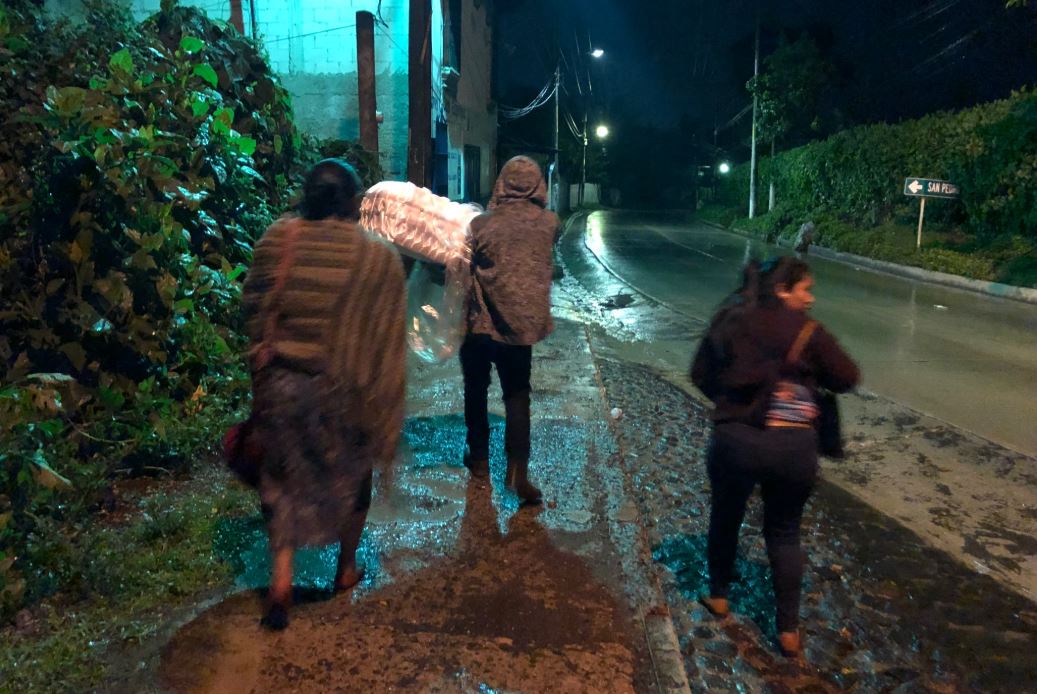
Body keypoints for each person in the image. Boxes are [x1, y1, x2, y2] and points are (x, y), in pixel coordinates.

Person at [242, 159, 406, 630]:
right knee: (356, 479)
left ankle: (281, 580)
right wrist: (384, 418)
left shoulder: (278, 239)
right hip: (339, 393)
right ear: (354, 204)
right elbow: (384, 345)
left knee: (280, 480)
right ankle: (345, 568)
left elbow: (251, 307)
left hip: (281, 388)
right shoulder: (377, 259)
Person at [690, 256, 859, 657]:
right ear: (783, 289)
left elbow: (699, 374)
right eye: (805, 289)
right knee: (784, 533)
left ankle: (719, 595)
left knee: (725, 515)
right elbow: (848, 376)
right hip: (793, 447)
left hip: (735, 442)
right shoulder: (808, 332)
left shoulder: (729, 319)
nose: (811, 298)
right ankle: (787, 631)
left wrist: (732, 403)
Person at [460, 156, 559, 504]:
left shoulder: (480, 225)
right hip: (520, 330)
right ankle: (518, 469)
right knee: (517, 395)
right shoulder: (550, 223)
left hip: (479, 325)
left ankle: (480, 460)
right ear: (536, 185)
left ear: (502, 182)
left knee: (476, 390)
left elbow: (463, 265)